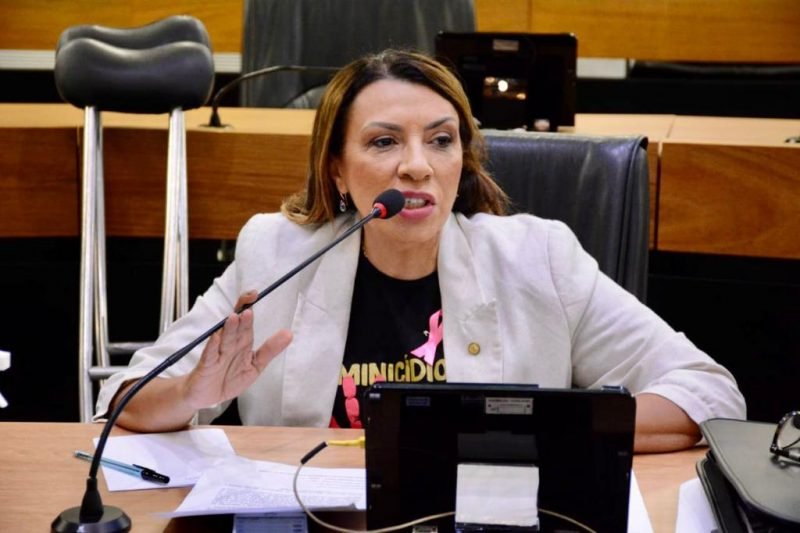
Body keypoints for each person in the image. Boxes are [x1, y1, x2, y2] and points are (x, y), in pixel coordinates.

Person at [95, 49, 745, 452]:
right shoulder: (276, 254)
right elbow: (124, 396)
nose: (417, 166)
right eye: (384, 142)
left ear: (463, 158)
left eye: (441, 140)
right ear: (336, 171)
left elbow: (708, 391)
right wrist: (192, 392)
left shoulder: (537, 258)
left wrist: (540, 430)